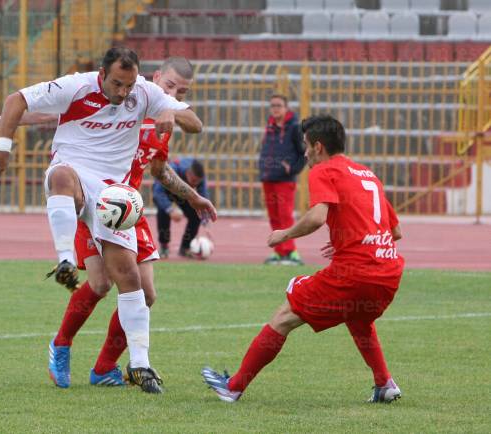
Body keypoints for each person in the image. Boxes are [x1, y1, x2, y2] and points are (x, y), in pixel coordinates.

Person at [0, 56, 216, 392]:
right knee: (101, 284)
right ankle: (63, 340)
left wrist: (192, 196)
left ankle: (112, 366)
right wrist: (4, 126)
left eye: (181, 91)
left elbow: (162, 168)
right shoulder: (97, 90)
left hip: (122, 202)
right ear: (157, 76)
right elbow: (54, 111)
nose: (173, 92)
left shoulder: (155, 113)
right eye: (171, 85)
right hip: (84, 189)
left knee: (142, 290)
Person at [202, 114, 404, 403]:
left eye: (307, 145)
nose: (305, 152)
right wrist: (354, 241)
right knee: (358, 317)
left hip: (357, 272)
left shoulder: (323, 171)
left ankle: (233, 386)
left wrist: (284, 234)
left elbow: (317, 217)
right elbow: (394, 230)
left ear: (319, 147)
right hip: (388, 273)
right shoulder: (368, 174)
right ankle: (384, 383)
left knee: (286, 313)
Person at [258, 94, 306, 265]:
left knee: (285, 216)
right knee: (274, 217)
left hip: (285, 180)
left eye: (279, 105)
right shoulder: (270, 125)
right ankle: (279, 251)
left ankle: (291, 252)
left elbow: (303, 153)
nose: (275, 108)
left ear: (286, 108)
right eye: (273, 105)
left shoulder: (294, 127)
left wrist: (292, 169)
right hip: (268, 177)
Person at [153, 158, 209, 258]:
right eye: (193, 181)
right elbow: (157, 192)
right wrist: (170, 209)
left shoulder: (200, 178)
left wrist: (205, 219)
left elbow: (203, 198)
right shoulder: (173, 169)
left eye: (198, 182)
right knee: (163, 211)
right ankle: (164, 246)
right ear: (188, 173)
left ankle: (185, 248)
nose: (195, 184)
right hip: (166, 192)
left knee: (197, 215)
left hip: (184, 195)